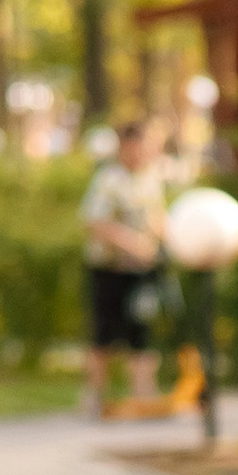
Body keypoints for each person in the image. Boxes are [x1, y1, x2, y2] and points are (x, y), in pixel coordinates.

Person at [80, 118, 169, 414]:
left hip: (142, 270)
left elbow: (156, 216)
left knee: (140, 333)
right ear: (126, 146)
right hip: (109, 268)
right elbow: (95, 222)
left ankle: (143, 395)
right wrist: (132, 244)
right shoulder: (109, 180)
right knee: (103, 334)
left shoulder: (150, 178)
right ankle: (94, 395)